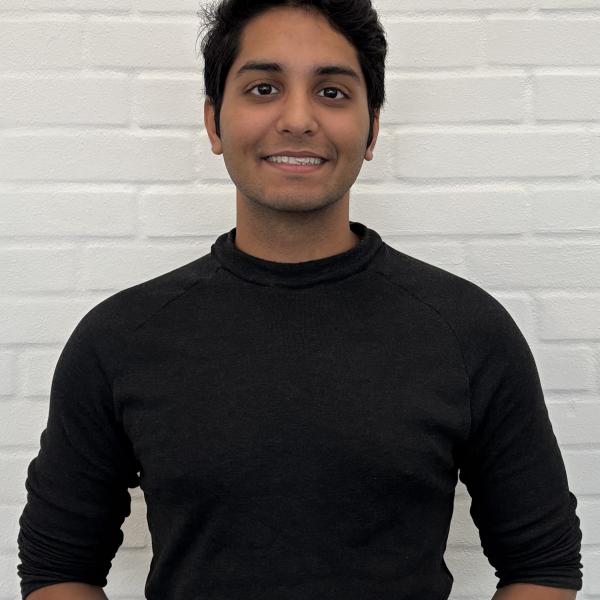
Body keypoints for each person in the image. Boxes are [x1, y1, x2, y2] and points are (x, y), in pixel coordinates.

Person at [17, 1, 583, 599]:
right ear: (214, 123)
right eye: (263, 88)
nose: (297, 119)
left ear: (372, 129)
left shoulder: (467, 331)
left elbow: (542, 563)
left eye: (332, 93)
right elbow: (59, 565)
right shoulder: (120, 338)